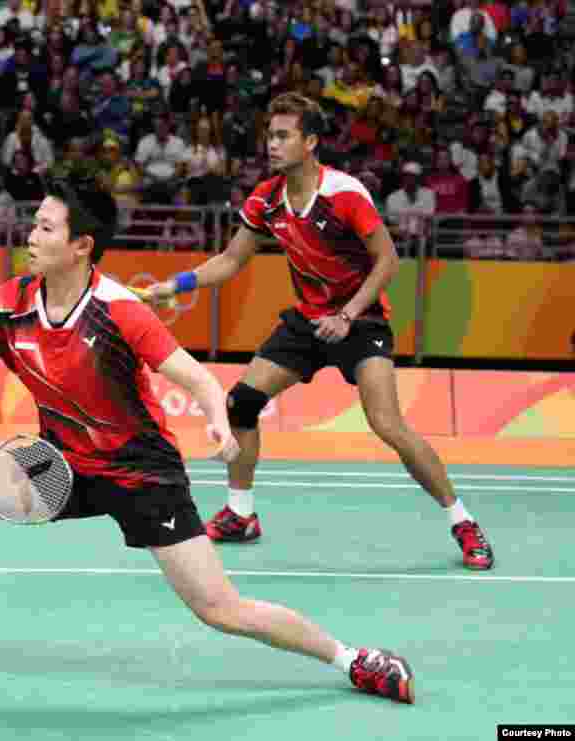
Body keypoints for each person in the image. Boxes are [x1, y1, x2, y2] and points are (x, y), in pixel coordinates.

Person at [0, 171, 415, 703]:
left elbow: (193, 376)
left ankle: (354, 659)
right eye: (34, 223)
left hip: (142, 474)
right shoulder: (8, 305)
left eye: (45, 227)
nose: (30, 235)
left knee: (220, 608)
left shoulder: (118, 311)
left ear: (82, 245)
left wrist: (218, 417)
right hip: (63, 466)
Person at [144, 92, 495, 571]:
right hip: (307, 320)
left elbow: (388, 261)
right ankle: (241, 514)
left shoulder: (345, 193)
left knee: (387, 423)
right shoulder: (266, 198)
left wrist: (347, 315)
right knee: (241, 403)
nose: (273, 144)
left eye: (284, 135)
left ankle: (463, 522)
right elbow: (230, 260)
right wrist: (176, 284)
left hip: (360, 319)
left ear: (310, 142)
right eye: (270, 135)